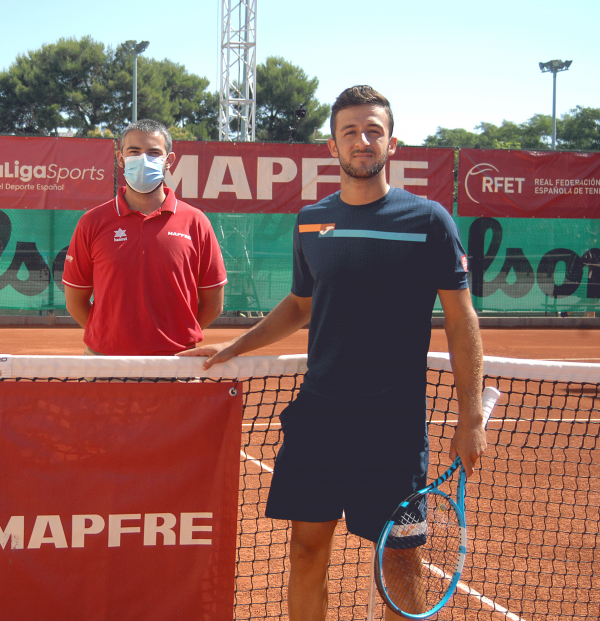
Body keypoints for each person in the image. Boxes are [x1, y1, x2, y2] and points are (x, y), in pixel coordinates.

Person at [180, 86, 486, 621]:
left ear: (393, 143)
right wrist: (237, 345)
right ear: (332, 145)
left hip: (393, 428)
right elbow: (300, 304)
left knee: (399, 567)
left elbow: (462, 320)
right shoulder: (311, 220)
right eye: (351, 131)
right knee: (305, 552)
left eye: (373, 131)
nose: (362, 141)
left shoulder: (430, 220)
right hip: (319, 417)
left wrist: (470, 418)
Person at [62, 119, 227, 355]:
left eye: (153, 152)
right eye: (134, 152)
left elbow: (214, 303)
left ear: (168, 161)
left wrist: (176, 339)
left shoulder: (196, 222)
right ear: (120, 159)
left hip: (177, 363)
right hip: (105, 363)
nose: (143, 159)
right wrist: (108, 338)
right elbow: (75, 301)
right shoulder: (92, 222)